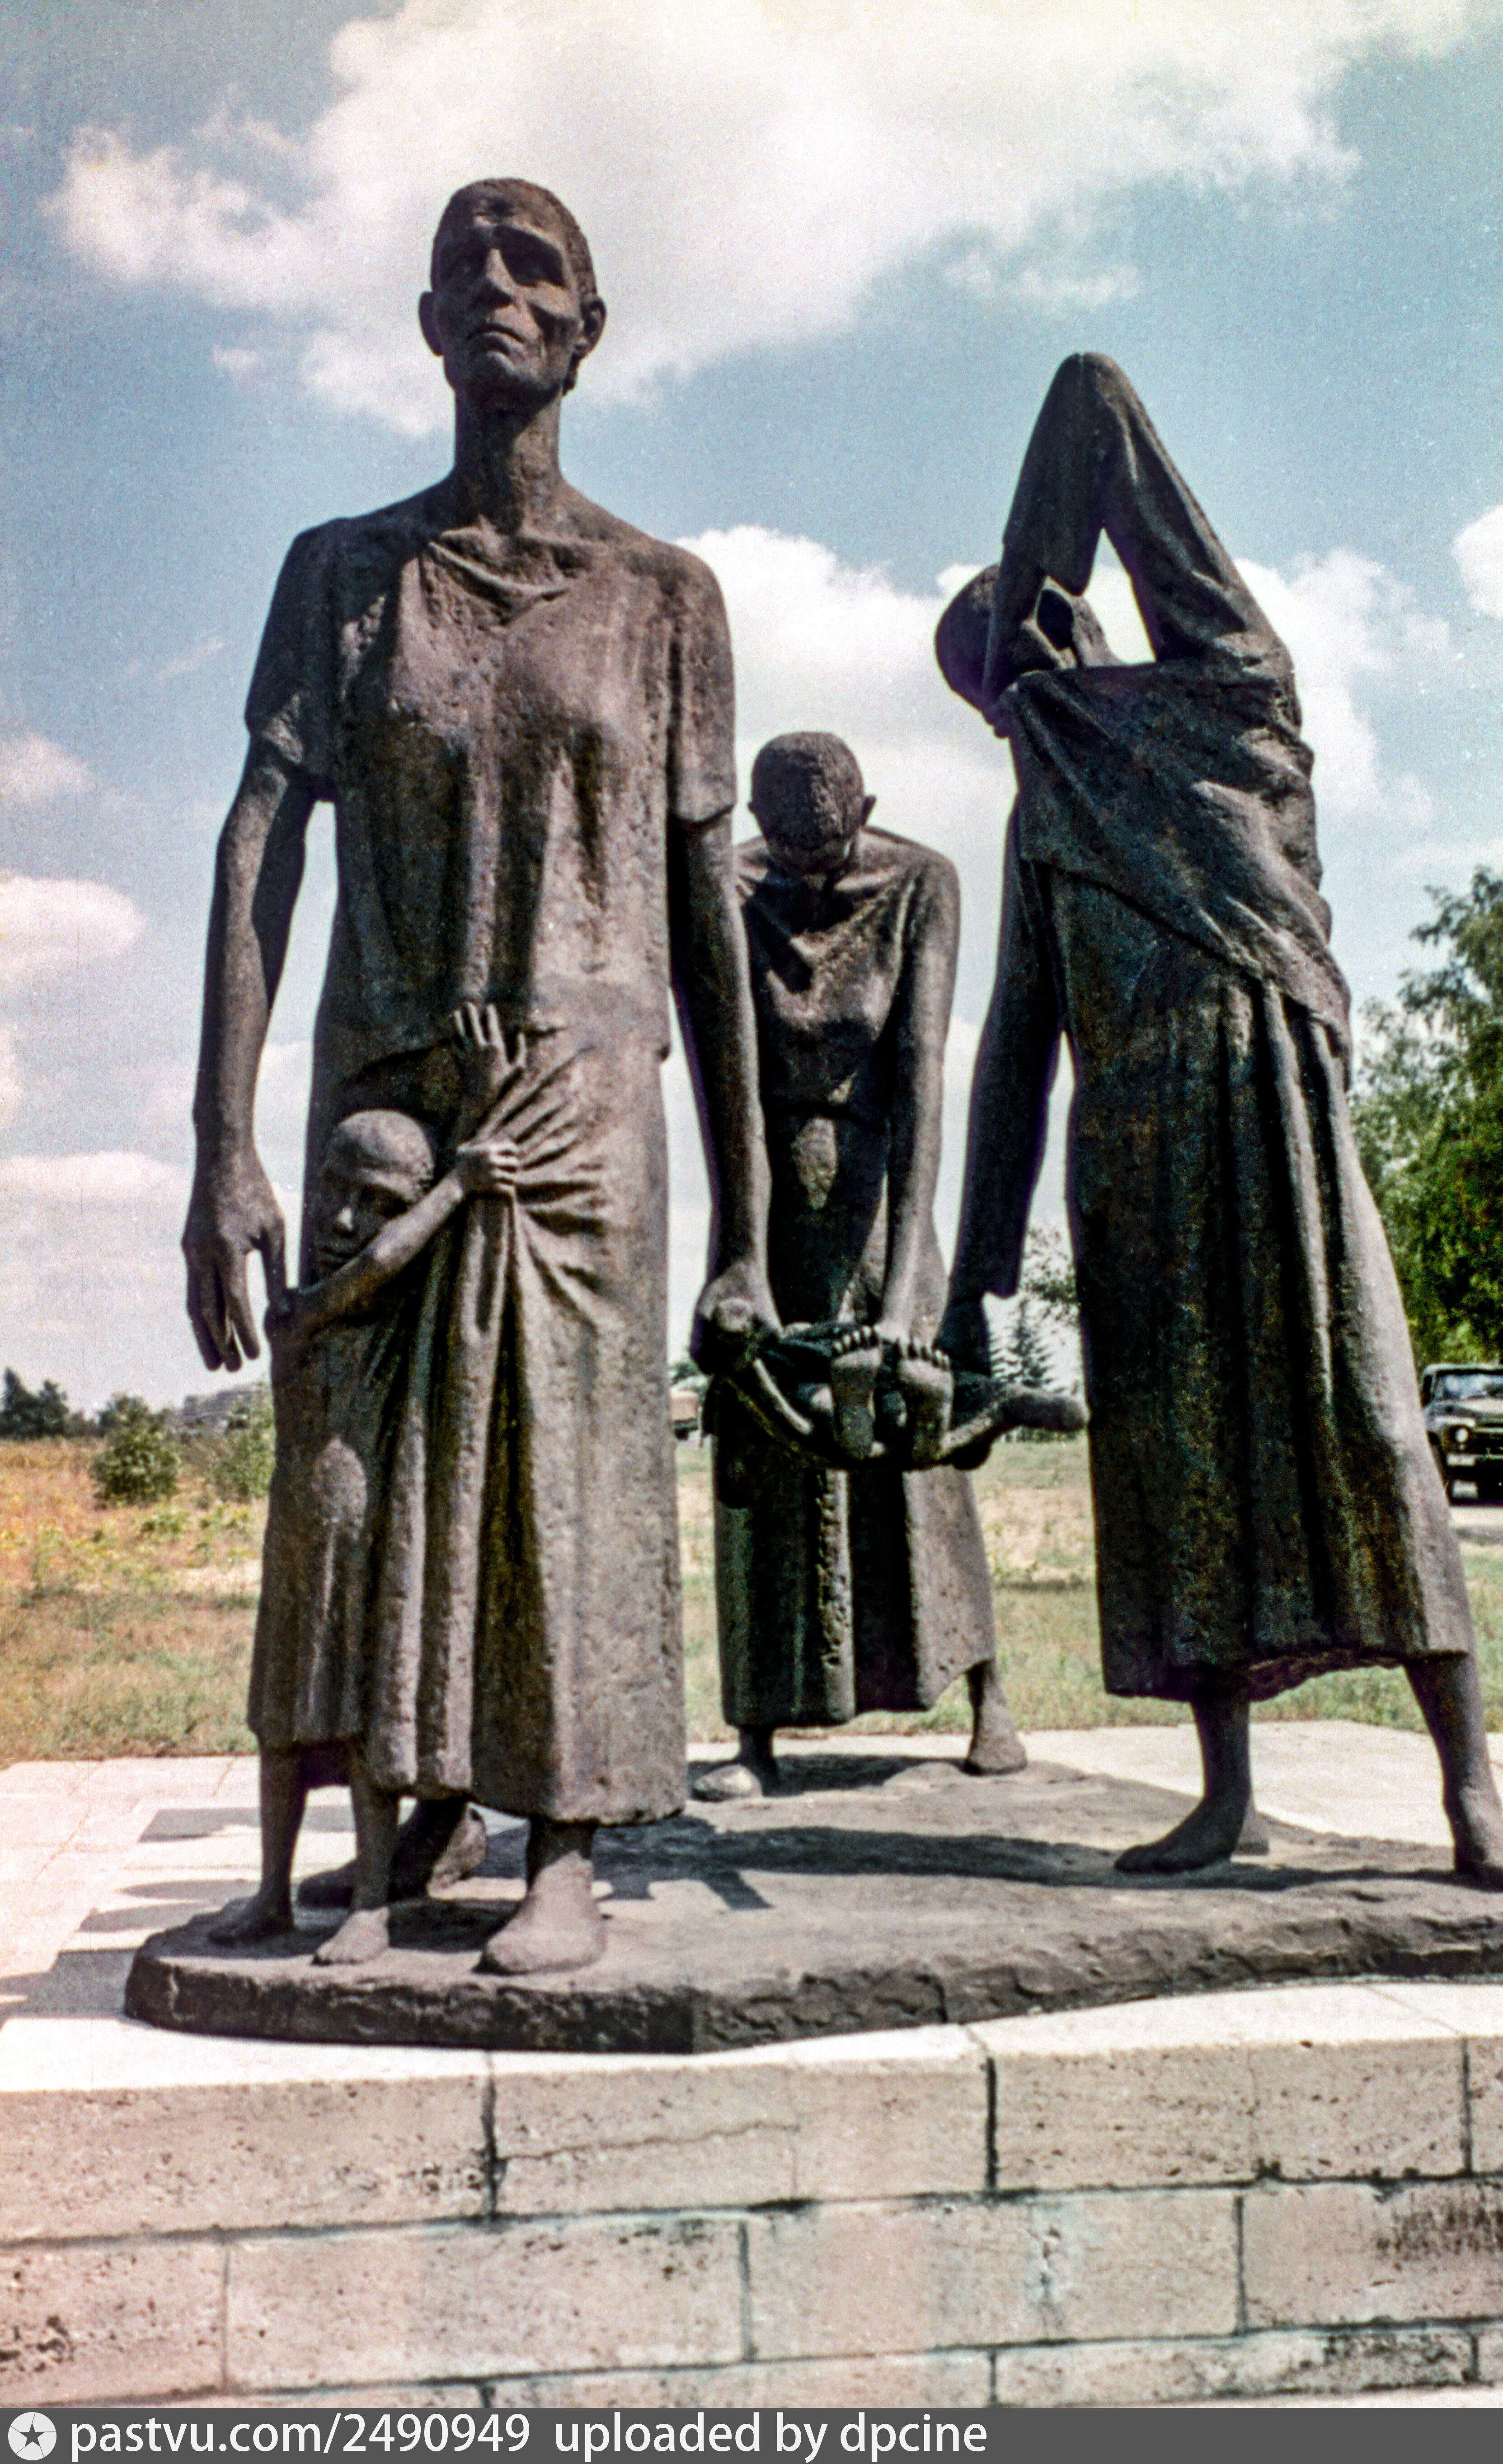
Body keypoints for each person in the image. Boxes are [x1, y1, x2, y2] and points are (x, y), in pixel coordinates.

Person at [183, 180, 776, 1974]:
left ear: (588, 329)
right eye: (466, 270)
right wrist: (220, 1146)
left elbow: (707, 920)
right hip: (384, 1093)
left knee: (566, 1466)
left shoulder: (664, 596)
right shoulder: (341, 575)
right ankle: (402, 1818)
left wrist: (749, 1227)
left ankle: (564, 1841)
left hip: (582, 1103)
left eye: (535, 269)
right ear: (429, 328)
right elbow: (257, 848)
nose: (498, 290)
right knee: (366, 1484)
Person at [936, 353, 1503, 1888]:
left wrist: (1025, 581)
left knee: (1370, 1425)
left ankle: (1470, 1793)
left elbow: (1090, 401)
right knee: (1177, 1481)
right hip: (1134, 1168)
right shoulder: (1042, 821)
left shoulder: (1231, 703)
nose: (1009, 706)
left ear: (1071, 624)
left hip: (1273, 1126)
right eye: (985, 695)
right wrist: (971, 1280)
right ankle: (1223, 1793)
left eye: (1011, 667)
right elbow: (1014, 1045)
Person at [696, 733, 1024, 1800]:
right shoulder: (722, 888)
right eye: (788, 857)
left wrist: (909, 1284)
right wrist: (739, 1254)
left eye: (827, 855)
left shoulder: (922, 882)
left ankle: (986, 1696)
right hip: (767, 1201)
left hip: (883, 1197)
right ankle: (755, 1730)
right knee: (764, 1439)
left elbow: (924, 1078)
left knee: (915, 1436)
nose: (807, 881)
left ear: (865, 813)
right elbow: (722, 1080)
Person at [213, 1032, 527, 1959]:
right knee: (279, 1727)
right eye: (335, 1194)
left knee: (364, 1726)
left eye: (376, 1202)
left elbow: (418, 1258)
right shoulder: (299, 1308)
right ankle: (271, 1894)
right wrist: (457, 1183)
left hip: (368, 1546)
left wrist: (477, 1123)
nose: (346, 1219)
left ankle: (373, 1902)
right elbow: (383, 1259)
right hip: (299, 1545)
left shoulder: (408, 1320)